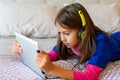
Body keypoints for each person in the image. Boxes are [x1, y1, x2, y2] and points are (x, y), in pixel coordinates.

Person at [12, 3, 120, 80]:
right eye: (60, 33)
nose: (62, 38)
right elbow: (50, 56)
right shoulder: (67, 41)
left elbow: (90, 76)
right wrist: (25, 50)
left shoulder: (100, 43)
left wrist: (53, 69)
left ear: (82, 32)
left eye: (66, 33)